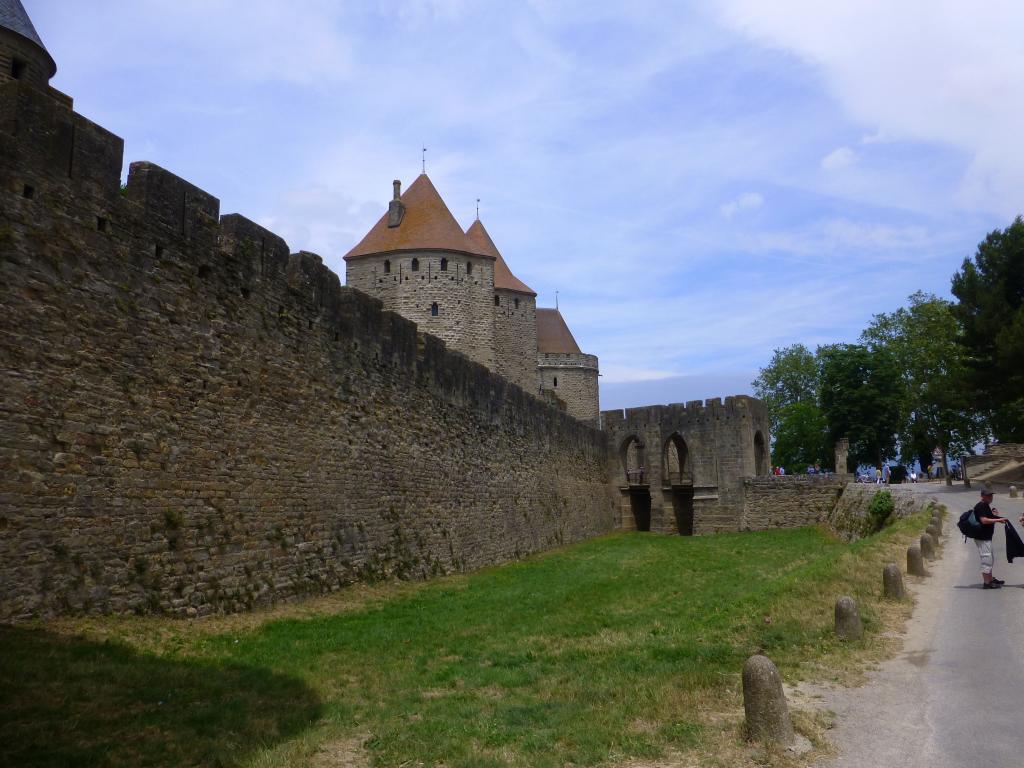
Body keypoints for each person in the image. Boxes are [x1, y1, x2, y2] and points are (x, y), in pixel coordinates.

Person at [974, 486, 1009, 589]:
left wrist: (994, 515)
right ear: (982, 496)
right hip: (982, 538)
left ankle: (990, 579)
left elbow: (987, 517)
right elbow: (984, 520)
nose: (990, 497)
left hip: (986, 537)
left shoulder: (985, 505)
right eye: (988, 495)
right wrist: (998, 520)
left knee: (990, 558)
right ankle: (987, 583)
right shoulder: (981, 506)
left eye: (991, 495)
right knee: (986, 559)